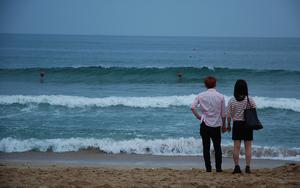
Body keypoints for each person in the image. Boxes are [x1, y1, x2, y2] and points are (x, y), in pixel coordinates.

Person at [191, 76, 226, 172]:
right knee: (217, 147)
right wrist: (224, 125)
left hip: (204, 124)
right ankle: (218, 168)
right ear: (215, 84)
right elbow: (223, 114)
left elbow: (193, 107)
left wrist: (198, 117)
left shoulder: (201, 95)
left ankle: (208, 168)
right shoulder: (221, 96)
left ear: (205, 85)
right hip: (216, 125)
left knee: (206, 147)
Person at [226, 79, 256, 174]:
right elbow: (254, 109)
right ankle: (247, 167)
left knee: (236, 147)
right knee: (248, 147)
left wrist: (228, 125)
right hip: (247, 125)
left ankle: (236, 167)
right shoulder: (249, 99)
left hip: (237, 124)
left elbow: (228, 114)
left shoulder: (232, 100)